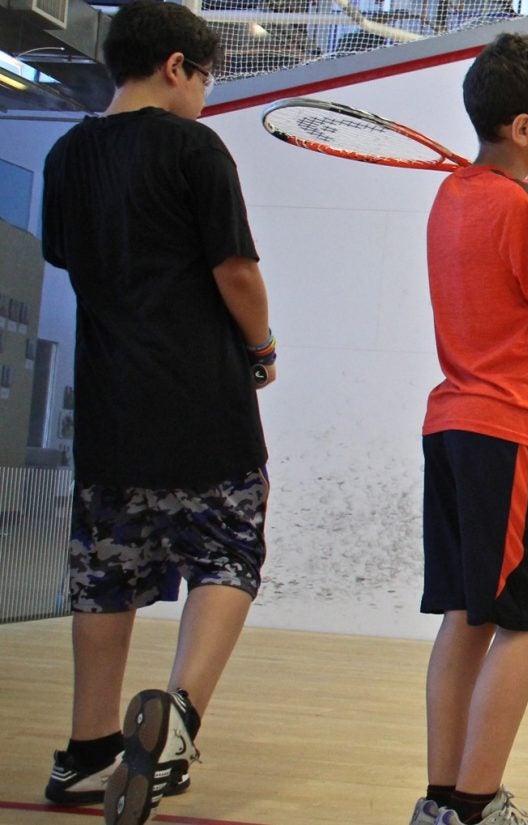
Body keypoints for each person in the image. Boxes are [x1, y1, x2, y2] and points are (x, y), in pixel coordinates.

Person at [37, 3, 277, 824]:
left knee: (105, 572)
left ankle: (86, 750)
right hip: (202, 399)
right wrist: (265, 346)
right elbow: (236, 272)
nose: (206, 93)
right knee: (227, 552)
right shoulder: (192, 147)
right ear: (177, 66)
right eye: (206, 76)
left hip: (108, 407)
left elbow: (69, 260)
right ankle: (176, 721)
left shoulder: (66, 156)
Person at [409, 32, 528, 825]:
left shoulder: (456, 195)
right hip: (510, 431)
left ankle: (441, 801)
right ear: (523, 127)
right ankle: (478, 805)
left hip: (451, 427)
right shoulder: (521, 210)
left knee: (469, 616)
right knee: (526, 619)